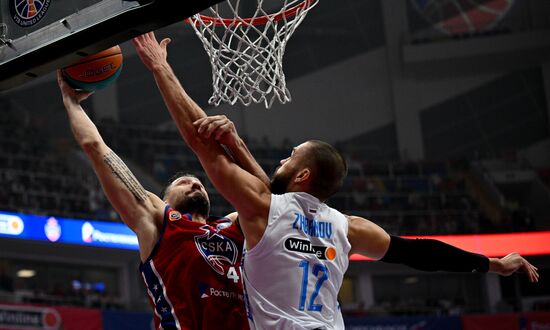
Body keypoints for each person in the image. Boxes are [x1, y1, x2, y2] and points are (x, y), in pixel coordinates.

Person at [133, 32, 539, 329]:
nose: (282, 157)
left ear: (303, 174)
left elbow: (197, 137)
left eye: (291, 156)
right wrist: (490, 264)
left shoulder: (264, 210)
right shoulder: (348, 227)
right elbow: (421, 253)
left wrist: (159, 67)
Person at [56, 71, 270, 329]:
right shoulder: (159, 221)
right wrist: (71, 102)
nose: (194, 183)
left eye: (199, 183)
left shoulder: (234, 226)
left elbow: (271, 201)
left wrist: (235, 144)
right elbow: (95, 147)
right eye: (183, 182)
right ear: (164, 200)